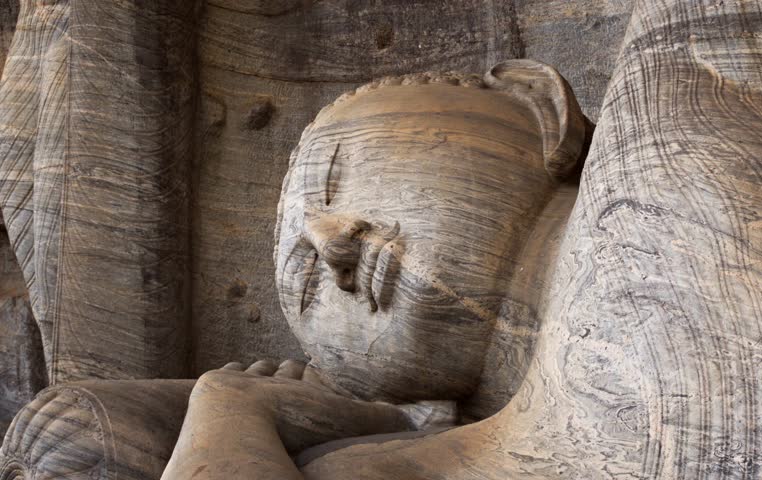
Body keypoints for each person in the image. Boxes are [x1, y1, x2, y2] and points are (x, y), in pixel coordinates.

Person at [161, 59, 589, 478]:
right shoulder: (381, 462)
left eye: (337, 177)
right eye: (309, 285)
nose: (332, 247)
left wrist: (225, 410)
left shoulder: (641, 149)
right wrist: (228, 406)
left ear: (538, 100)